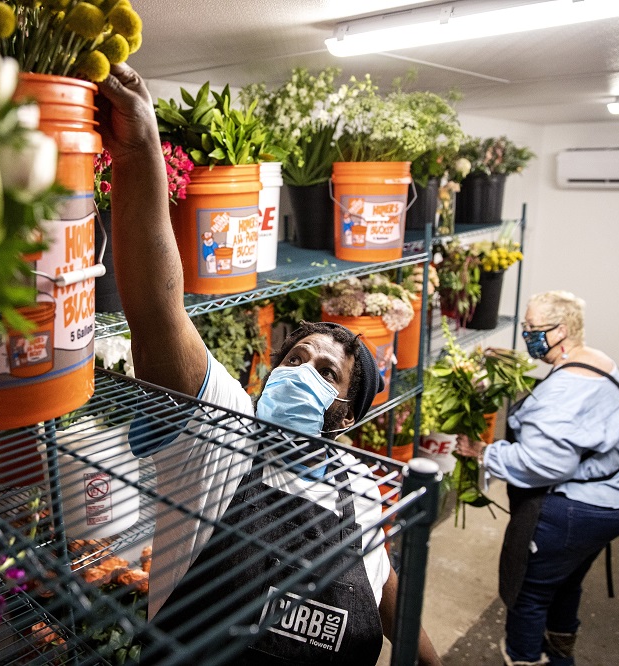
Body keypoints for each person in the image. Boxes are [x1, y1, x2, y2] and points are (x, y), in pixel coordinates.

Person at [95, 63, 441, 665]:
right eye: (295, 357)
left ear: (345, 415)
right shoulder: (222, 434)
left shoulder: (356, 483)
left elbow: (386, 593)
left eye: (325, 372)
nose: (297, 371)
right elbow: (155, 313)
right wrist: (140, 149)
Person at [455, 291, 619, 666]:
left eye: (531, 328)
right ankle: (561, 658)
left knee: (529, 594)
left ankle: (524, 658)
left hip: (578, 507)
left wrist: (483, 451)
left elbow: (543, 463)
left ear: (560, 331)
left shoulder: (564, 388)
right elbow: (574, 422)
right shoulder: (597, 362)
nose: (526, 334)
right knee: (565, 582)